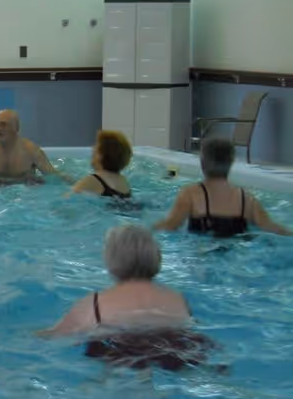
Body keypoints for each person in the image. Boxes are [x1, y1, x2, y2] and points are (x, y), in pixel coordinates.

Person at [39, 225, 215, 371]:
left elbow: (54, 335)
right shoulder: (178, 298)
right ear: (156, 257)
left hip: (121, 349)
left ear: (111, 260)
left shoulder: (95, 303)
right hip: (177, 347)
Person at [153, 137, 291, 237]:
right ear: (231, 163)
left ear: (202, 163)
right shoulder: (247, 199)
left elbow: (171, 225)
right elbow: (271, 227)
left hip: (203, 257)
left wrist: (147, 229)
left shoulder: (191, 194)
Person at [71, 130, 132, 199]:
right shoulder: (122, 180)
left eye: (95, 147)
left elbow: (67, 200)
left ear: (101, 155)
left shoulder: (93, 180)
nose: (92, 149)